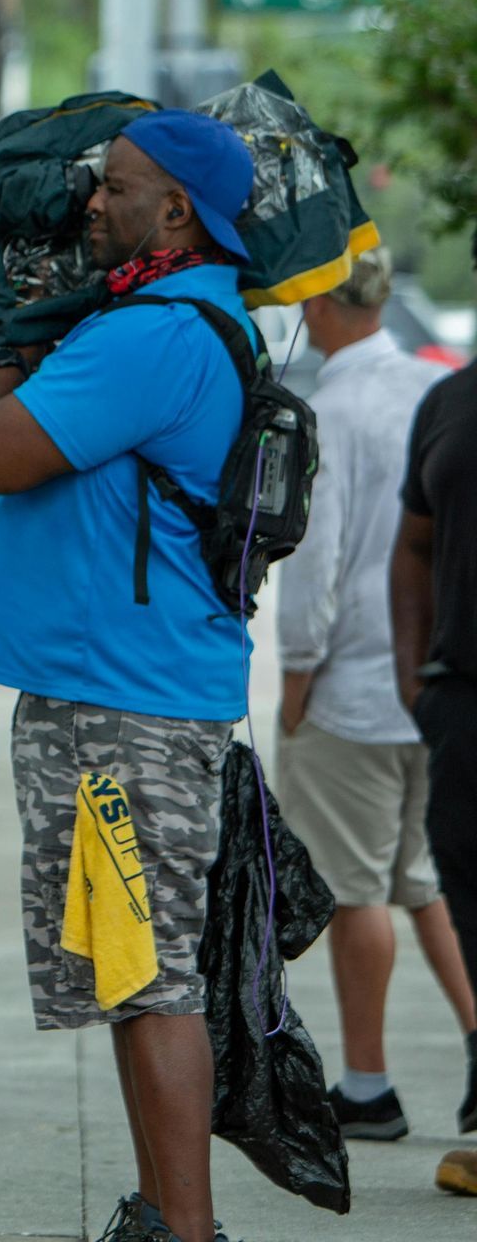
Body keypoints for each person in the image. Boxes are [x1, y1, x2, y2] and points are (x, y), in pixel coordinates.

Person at [0, 110, 259, 1242]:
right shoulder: (160, 317)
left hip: (126, 701)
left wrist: (3, 345)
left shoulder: (156, 332)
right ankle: (161, 1212)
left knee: (149, 975)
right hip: (120, 688)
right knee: (130, 973)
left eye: (118, 187)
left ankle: (185, 1231)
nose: (93, 203)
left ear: (176, 209)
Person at [274, 250, 476, 1145]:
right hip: (431, 683)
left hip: (353, 680)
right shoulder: (431, 387)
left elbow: (314, 561)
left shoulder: (332, 407)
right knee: (428, 881)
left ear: (318, 301)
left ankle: (368, 1084)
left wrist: (294, 673)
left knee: (357, 888)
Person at [393, 226, 477, 1200]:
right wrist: (419, 678)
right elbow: (410, 548)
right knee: (470, 905)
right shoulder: (449, 401)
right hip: (462, 706)